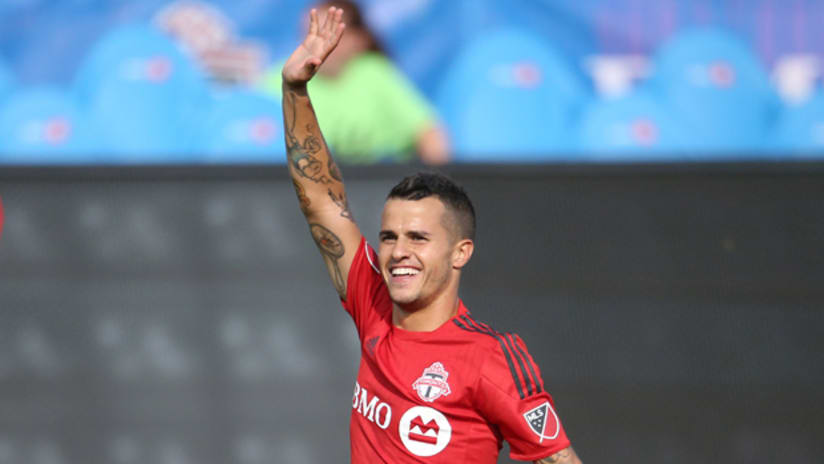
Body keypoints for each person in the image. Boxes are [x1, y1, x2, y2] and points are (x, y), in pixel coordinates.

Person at [281, 6, 581, 463]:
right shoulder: (372, 304)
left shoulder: (492, 358)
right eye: (388, 237)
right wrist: (296, 89)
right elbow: (320, 198)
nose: (399, 252)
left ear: (462, 252)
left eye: (418, 238)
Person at [267, 0, 450, 165]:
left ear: (357, 40)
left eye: (328, 35)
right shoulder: (284, 78)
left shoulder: (374, 74)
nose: (317, 46)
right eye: (309, 36)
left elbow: (429, 134)